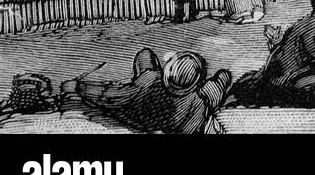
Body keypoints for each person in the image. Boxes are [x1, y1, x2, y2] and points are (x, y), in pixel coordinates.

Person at [61, 49, 232, 135]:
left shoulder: (150, 79)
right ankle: (221, 79)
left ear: (167, 72)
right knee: (222, 78)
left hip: (137, 116)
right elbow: (192, 125)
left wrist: (78, 87)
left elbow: (109, 95)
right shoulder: (198, 102)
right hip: (183, 108)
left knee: (145, 54)